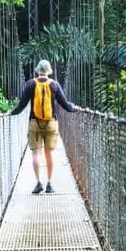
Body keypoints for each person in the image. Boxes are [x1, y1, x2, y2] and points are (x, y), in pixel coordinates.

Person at [9, 60, 76, 194]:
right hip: (51, 123)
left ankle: (38, 182)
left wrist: (11, 113)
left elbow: (21, 105)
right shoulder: (55, 85)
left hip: (34, 122)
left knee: (35, 153)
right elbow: (65, 105)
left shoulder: (30, 84)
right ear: (49, 70)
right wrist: (74, 109)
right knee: (49, 153)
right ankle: (49, 184)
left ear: (37, 70)